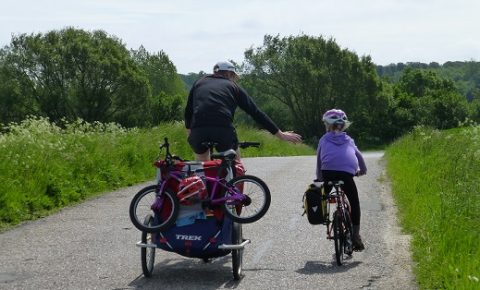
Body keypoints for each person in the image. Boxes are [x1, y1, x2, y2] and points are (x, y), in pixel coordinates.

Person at [184, 61, 302, 161]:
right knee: (235, 166)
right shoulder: (233, 87)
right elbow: (255, 112)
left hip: (198, 130)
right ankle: (234, 183)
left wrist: (190, 130)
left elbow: (189, 111)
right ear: (229, 74)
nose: (235, 79)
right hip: (223, 131)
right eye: (234, 76)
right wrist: (280, 135)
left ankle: (205, 186)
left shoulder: (198, 83)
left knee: (203, 168)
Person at [315, 108, 367, 251]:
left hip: (328, 174)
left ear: (327, 125)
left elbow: (319, 161)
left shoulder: (323, 139)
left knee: (321, 196)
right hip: (346, 175)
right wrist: (361, 171)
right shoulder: (349, 140)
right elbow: (360, 157)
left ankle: (324, 218)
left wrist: (319, 178)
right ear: (343, 125)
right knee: (354, 203)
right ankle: (356, 236)